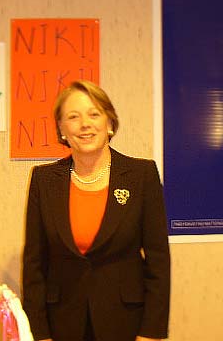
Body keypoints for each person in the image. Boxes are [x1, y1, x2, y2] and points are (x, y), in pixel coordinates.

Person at [22, 80, 170, 341]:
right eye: (73, 116)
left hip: (126, 323)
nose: (85, 124)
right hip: (62, 324)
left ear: (109, 123)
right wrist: (39, 332)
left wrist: (152, 332)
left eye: (94, 114)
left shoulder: (141, 175)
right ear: (62, 129)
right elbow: (34, 263)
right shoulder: (43, 180)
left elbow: (158, 261)